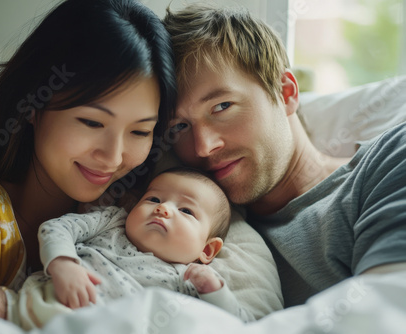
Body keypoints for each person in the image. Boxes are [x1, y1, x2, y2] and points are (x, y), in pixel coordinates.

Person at [0, 0, 177, 307]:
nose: (114, 157)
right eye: (91, 122)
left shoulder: (140, 216)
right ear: (32, 105)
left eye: (140, 131)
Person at [163, 4, 406, 308]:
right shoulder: (181, 218)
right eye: (180, 126)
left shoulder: (388, 163)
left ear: (286, 92)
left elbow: (386, 312)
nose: (203, 147)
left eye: (222, 106)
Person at [0, 167, 254, 329]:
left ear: (207, 251)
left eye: (186, 211)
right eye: (153, 199)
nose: (164, 209)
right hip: (24, 311)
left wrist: (215, 291)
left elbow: (237, 326)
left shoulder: (185, 279)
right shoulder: (112, 220)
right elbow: (57, 228)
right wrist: (63, 264)